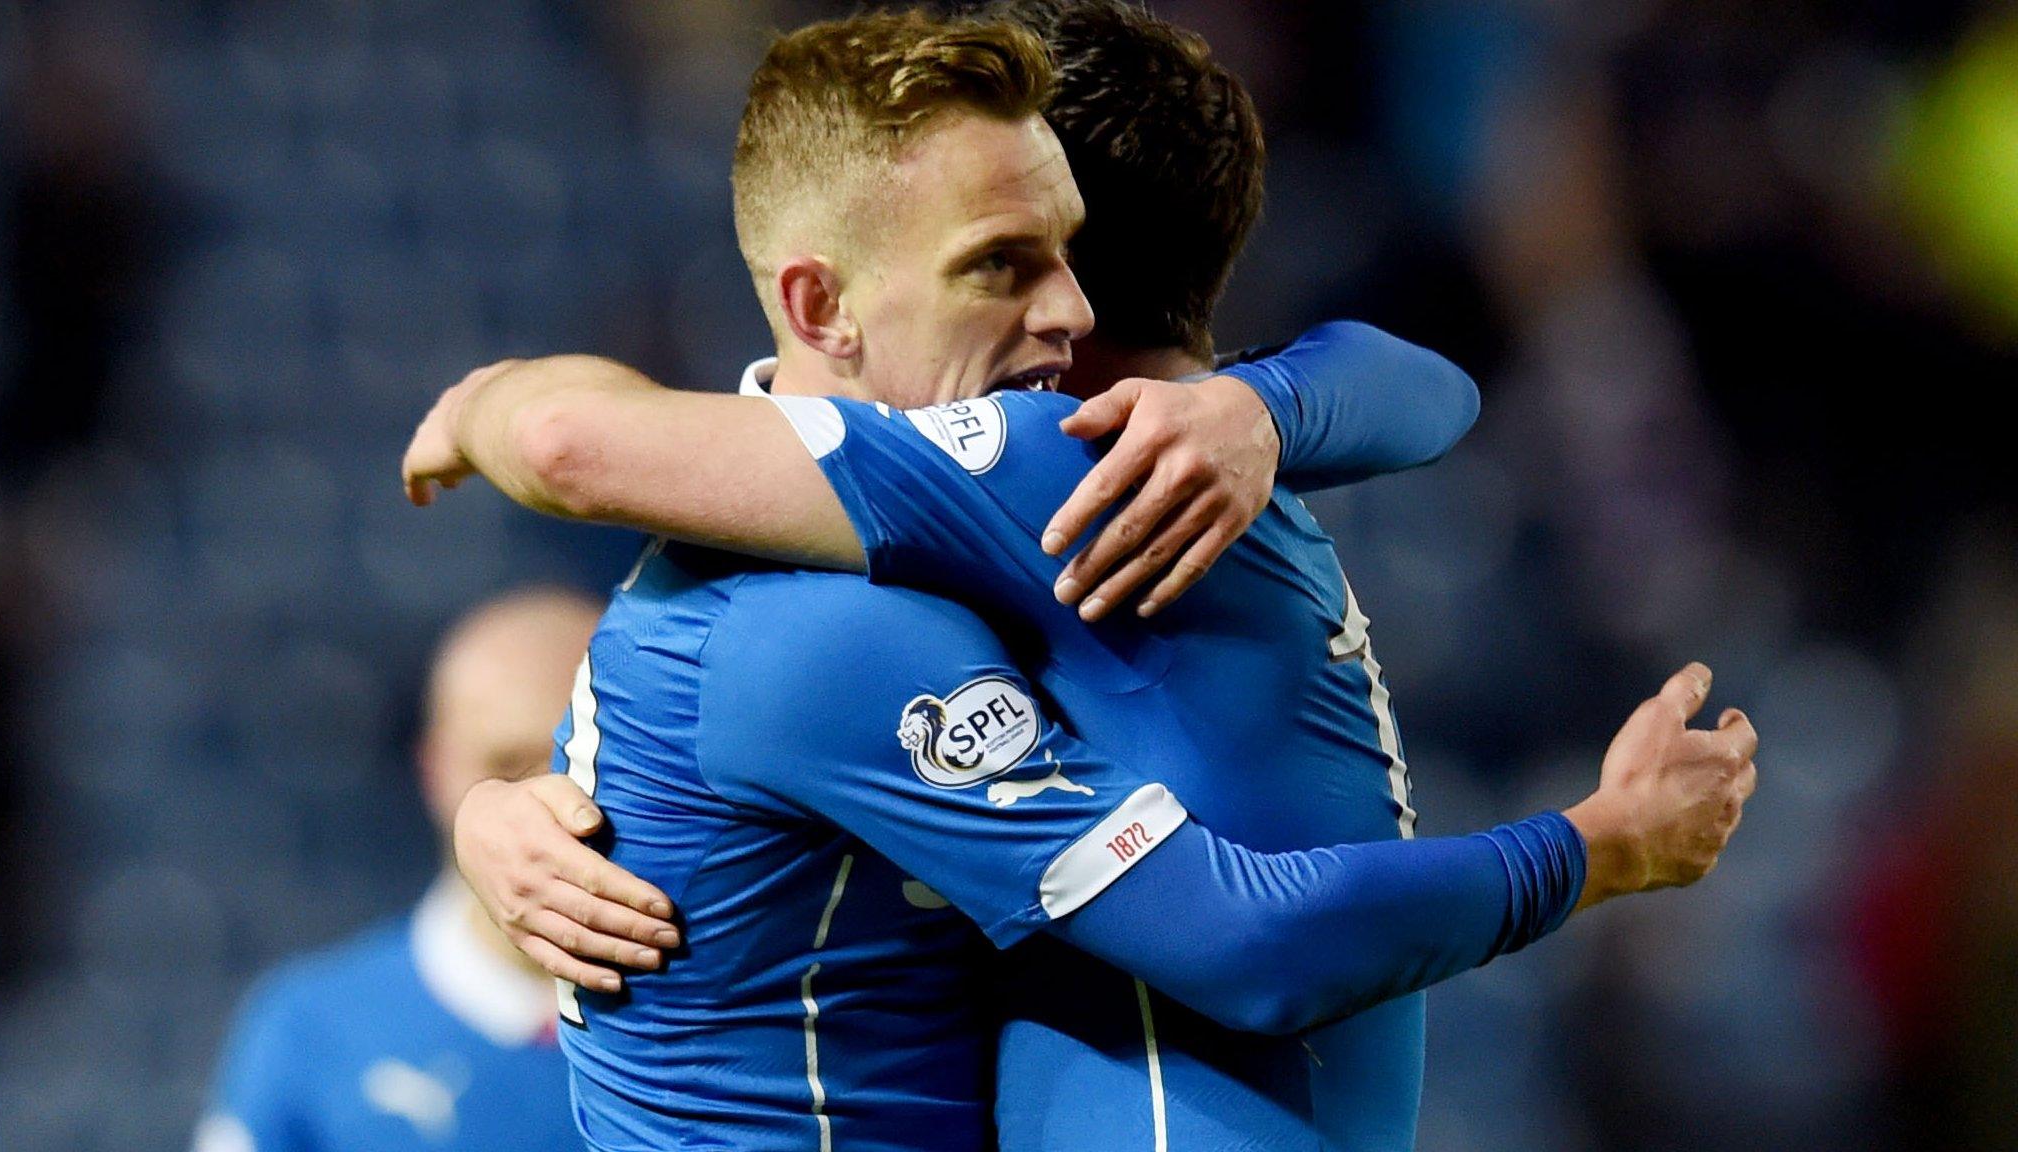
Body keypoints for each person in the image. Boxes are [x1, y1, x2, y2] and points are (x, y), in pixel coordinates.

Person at [403, 7, 1759, 1151]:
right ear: (823, 305)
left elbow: (577, 435)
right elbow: (1250, 939)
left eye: (1060, 255)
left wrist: (479, 413)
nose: (1057, 313)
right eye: (1003, 262)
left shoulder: (1026, 497)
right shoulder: (935, 543)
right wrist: (1593, 849)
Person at [191, 589, 604, 1152]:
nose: (543, 806)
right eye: (507, 766)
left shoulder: (737, 1019)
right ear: (434, 768)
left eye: (580, 767)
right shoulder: (310, 1030)